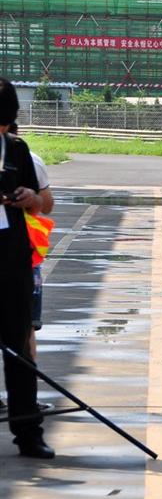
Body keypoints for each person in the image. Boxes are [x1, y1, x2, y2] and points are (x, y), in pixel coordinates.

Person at [0, 77, 54, 459]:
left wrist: (30, 198)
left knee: (19, 349)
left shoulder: (16, 150)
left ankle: (28, 432)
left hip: (11, 263)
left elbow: (41, 205)